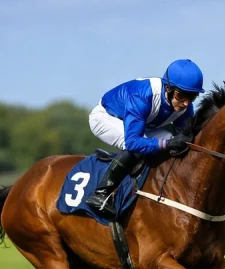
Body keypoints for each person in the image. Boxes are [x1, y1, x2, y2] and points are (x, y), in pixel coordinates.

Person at [84, 59, 203, 218]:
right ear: (168, 88)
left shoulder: (185, 106)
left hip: (145, 125)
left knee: (176, 145)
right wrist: (166, 144)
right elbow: (133, 142)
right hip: (107, 117)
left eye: (192, 97)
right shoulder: (143, 95)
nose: (186, 103)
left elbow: (185, 138)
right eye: (181, 95)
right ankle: (101, 194)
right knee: (139, 147)